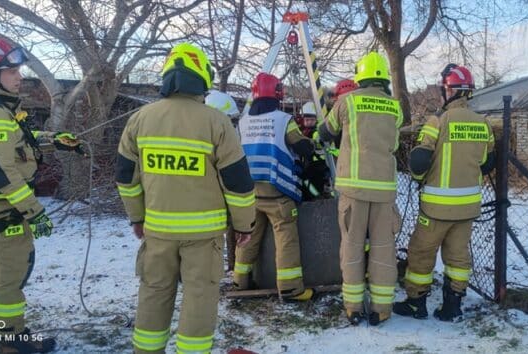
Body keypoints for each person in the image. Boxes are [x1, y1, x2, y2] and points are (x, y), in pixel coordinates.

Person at [116, 42, 255, 354]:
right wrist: (244, 225)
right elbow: (238, 183)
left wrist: (137, 217)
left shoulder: (140, 119)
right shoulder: (216, 122)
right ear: (202, 78)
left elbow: (126, 178)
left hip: (157, 232)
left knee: (153, 293)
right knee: (199, 297)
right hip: (203, 236)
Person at [0, 37, 83, 353]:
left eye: (18, 70)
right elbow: (2, 172)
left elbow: (17, 142)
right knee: (13, 269)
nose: (19, 77)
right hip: (3, 203)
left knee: (0, 263)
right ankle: (9, 338)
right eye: (11, 71)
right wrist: (34, 211)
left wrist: (55, 139)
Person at [392, 64, 495, 322]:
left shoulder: (438, 121)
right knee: (458, 257)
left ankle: (416, 303)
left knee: (421, 253)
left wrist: (418, 179)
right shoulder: (483, 124)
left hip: (436, 209)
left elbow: (419, 161)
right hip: (468, 208)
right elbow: (487, 163)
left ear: (450, 91)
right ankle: (452, 307)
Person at [317, 52, 403, 326]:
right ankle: (381, 309)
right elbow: (395, 144)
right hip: (384, 191)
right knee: (383, 249)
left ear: (360, 76)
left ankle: (353, 308)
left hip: (353, 190)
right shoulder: (395, 107)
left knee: (352, 247)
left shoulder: (347, 101)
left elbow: (326, 131)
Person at [233, 72, 315, 301]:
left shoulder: (243, 122)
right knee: (286, 239)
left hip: (250, 193)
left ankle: (240, 281)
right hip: (278, 191)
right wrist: (312, 145)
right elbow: (301, 146)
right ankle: (290, 289)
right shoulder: (283, 120)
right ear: (277, 93)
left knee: (249, 238)